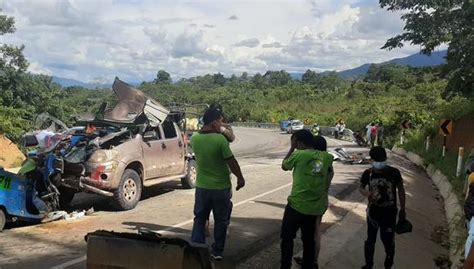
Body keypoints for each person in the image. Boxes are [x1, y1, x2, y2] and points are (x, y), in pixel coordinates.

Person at [190, 108, 245, 261]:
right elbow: (231, 161)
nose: (222, 125)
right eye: (220, 121)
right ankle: (217, 251)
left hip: (202, 187)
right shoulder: (219, 140)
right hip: (220, 187)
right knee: (221, 220)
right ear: (214, 122)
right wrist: (240, 177)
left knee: (199, 218)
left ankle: (197, 247)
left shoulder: (194, 138)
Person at [280, 130, 334, 269]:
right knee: (309, 241)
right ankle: (309, 265)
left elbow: (284, 165)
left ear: (298, 141)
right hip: (314, 208)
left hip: (296, 205)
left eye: (295, 142)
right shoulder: (327, 157)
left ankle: (285, 266)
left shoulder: (298, 155)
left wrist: (292, 148)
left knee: (287, 239)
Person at [359, 146, 406, 269]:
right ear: (372, 160)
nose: (379, 163)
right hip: (373, 213)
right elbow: (361, 187)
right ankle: (368, 264)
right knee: (370, 240)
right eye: (377, 160)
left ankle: (389, 260)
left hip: (389, 214)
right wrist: (367, 194)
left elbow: (401, 190)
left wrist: (403, 209)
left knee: (387, 241)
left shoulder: (394, 173)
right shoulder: (368, 174)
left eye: (381, 159)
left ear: (385, 158)